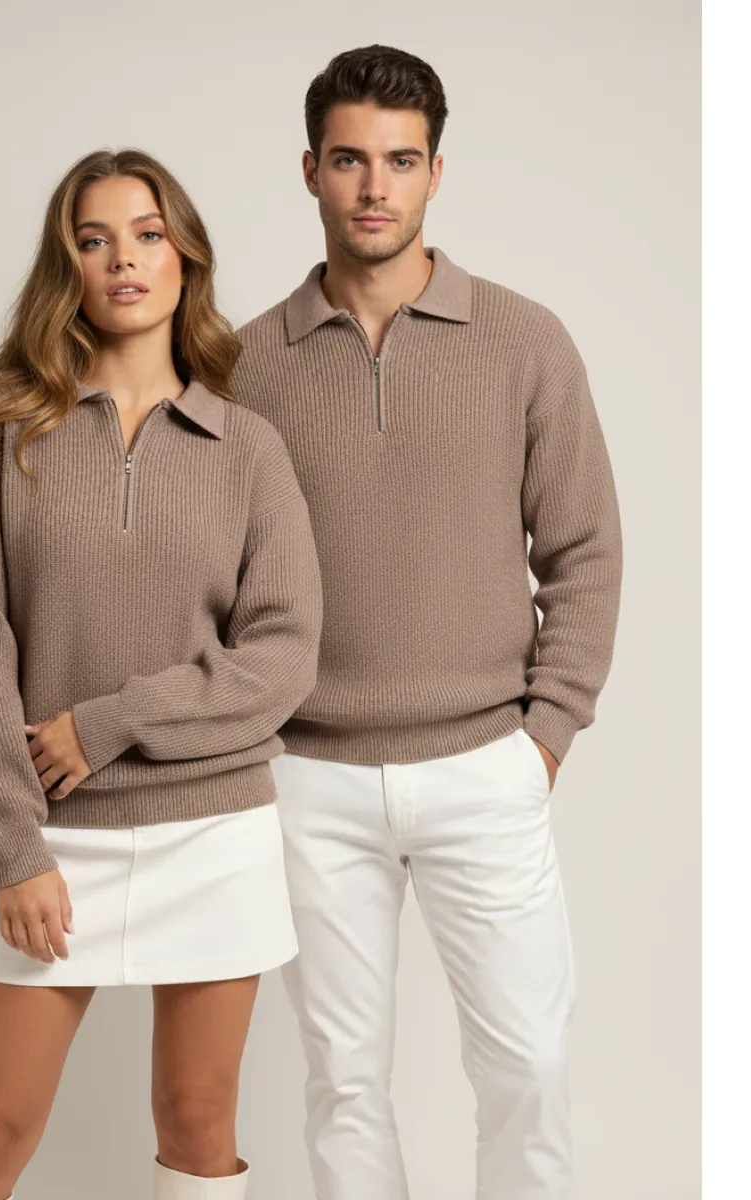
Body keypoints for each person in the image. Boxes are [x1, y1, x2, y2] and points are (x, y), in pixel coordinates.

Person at [232, 45, 623, 1200]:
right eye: (350, 160)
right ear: (310, 169)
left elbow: (585, 549)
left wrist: (545, 736)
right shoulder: (245, 366)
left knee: (527, 1066)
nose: (375, 188)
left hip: (485, 766)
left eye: (401, 162)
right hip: (307, 777)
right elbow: (213, 579)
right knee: (344, 1081)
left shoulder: (525, 340)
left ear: (437, 174)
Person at [0, 148, 323, 1200]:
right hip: (55, 837)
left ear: (186, 260)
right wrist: (14, 845)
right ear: (68, 268)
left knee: (198, 1119)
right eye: (94, 240)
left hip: (215, 831)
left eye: (146, 235)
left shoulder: (250, 449)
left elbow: (282, 657)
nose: (123, 260)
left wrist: (113, 721)